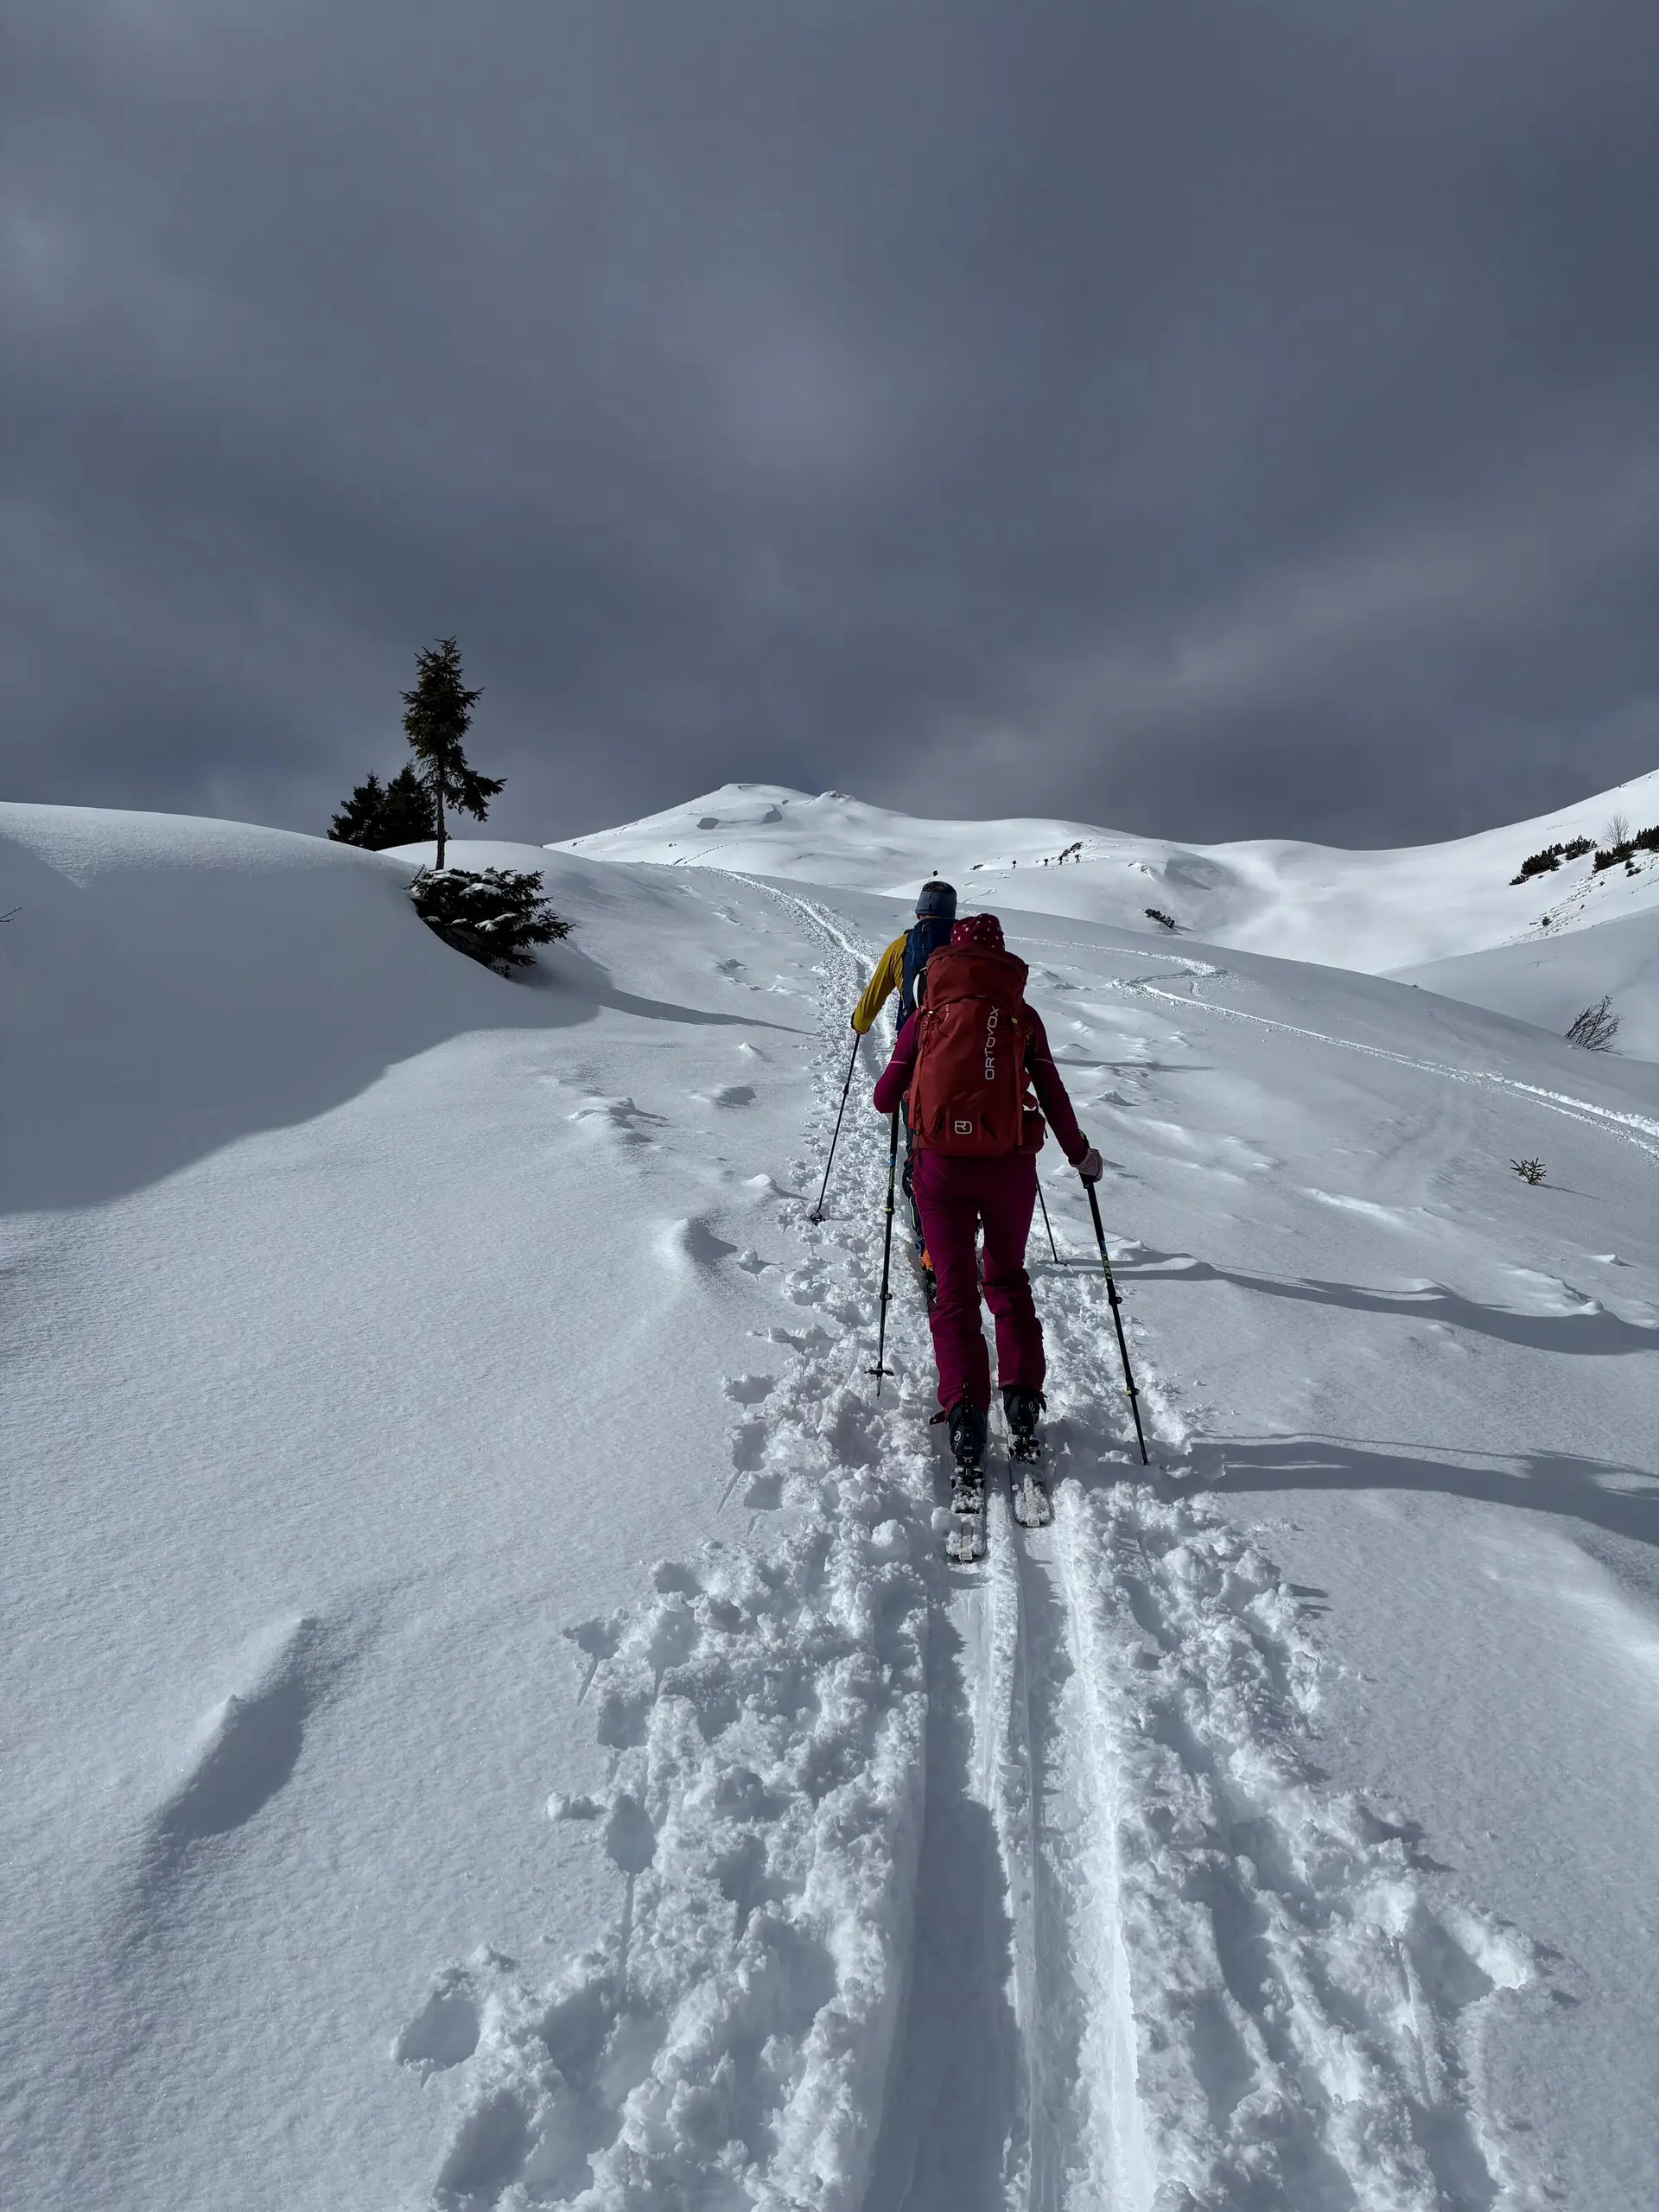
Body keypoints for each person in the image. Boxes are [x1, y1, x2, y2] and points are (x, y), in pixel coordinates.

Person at [872, 912, 1103, 1487]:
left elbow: (883, 1099)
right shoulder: (1022, 1016)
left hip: (939, 1168)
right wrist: (1080, 1156)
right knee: (1006, 1280)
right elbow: (1052, 1093)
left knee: (953, 1293)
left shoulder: (927, 1014)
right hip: (1008, 1170)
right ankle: (1022, 1401)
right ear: (1001, 959)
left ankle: (966, 1413)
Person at [850, 880, 959, 1285]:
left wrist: (859, 1023)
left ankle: (932, 1246)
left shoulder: (903, 947)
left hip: (917, 1064)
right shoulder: (969, 950)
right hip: (975, 1069)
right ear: (952, 914)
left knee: (922, 1150)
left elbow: (875, 996)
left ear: (918, 913)